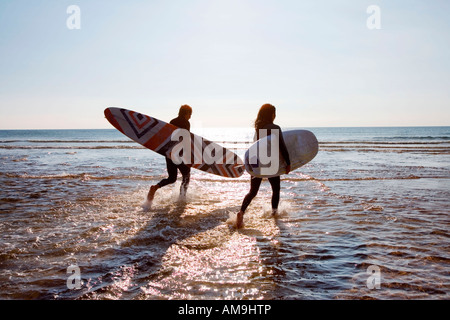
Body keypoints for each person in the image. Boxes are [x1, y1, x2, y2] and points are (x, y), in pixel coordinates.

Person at [235, 104, 291, 229]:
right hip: (270, 164)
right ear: (271, 114)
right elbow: (282, 146)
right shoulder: (275, 127)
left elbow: (255, 148)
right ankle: (274, 215)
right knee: (275, 190)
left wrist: (251, 165)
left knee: (253, 191)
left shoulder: (258, 129)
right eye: (274, 113)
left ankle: (241, 212)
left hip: (256, 162)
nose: (275, 116)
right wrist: (288, 162)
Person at [146, 105, 192, 205]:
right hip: (179, 154)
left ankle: (156, 187)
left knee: (172, 178)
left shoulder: (172, 121)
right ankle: (182, 198)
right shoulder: (186, 123)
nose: (190, 117)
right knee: (186, 176)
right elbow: (185, 139)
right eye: (190, 114)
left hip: (169, 153)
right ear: (186, 113)